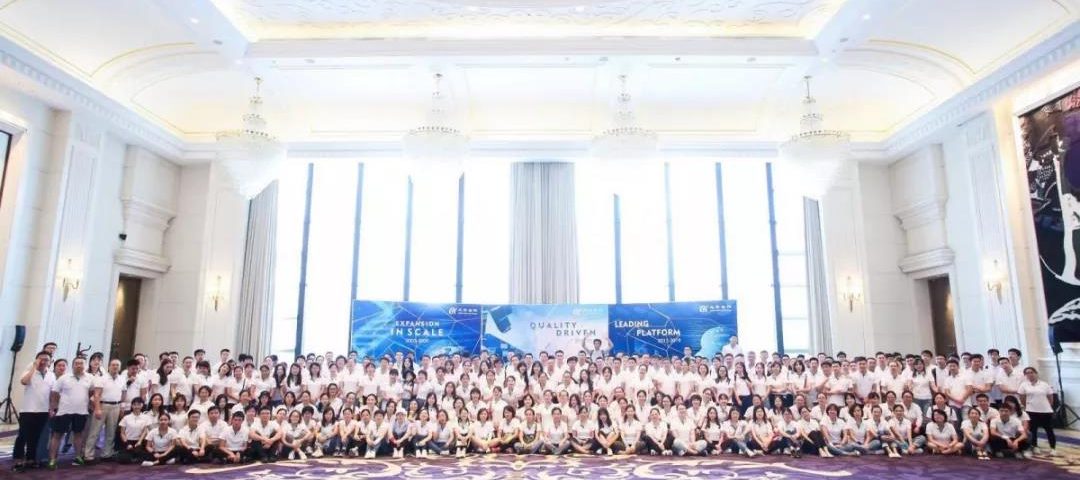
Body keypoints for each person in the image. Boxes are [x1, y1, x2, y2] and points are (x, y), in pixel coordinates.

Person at [47, 356, 94, 469]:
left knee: (78, 434)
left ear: (85, 365)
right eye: (77, 363)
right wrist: (54, 408)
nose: (79, 365)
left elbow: (91, 392)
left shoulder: (90, 378)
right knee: (57, 435)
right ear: (73, 365)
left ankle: (77, 457)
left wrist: (89, 405)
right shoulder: (64, 378)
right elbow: (54, 393)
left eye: (81, 363)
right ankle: (52, 459)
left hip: (81, 412)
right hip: (64, 411)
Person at [13, 351, 53, 472]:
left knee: (35, 437)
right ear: (36, 360)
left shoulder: (51, 375)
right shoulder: (30, 371)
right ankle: (18, 461)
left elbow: (52, 394)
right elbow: (24, 382)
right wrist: (33, 368)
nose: (43, 361)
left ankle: (30, 459)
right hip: (28, 410)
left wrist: (51, 408)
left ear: (50, 362)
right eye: (41, 359)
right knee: (22, 436)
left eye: (46, 359)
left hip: (43, 411)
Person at [1017, 367, 1056, 456]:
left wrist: (1047, 406)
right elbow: (1022, 398)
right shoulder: (1024, 385)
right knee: (1033, 430)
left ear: (1036, 373)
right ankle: (1035, 446)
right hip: (1031, 411)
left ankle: (1053, 448)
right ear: (1025, 375)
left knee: (1049, 430)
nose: (1030, 374)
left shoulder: (1044, 384)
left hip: (1046, 411)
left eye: (1031, 372)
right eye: (1027, 373)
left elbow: (1050, 397)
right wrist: (1027, 406)